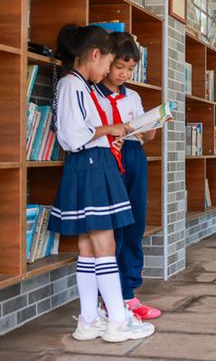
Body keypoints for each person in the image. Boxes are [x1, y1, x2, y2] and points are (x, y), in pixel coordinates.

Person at [48, 24, 154, 342]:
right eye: (109, 63)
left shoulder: (76, 84)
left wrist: (111, 132)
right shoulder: (74, 86)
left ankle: (89, 319)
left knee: (89, 248)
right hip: (92, 167)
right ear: (95, 55)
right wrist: (110, 130)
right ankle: (118, 320)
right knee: (104, 246)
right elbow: (74, 136)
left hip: (94, 165)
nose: (110, 70)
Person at [92, 32, 160, 320]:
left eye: (130, 69)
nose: (124, 74)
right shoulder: (92, 93)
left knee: (134, 224)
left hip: (134, 156)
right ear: (106, 61)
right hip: (108, 160)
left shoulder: (133, 95)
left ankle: (128, 294)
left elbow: (148, 135)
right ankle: (108, 296)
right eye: (120, 67)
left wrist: (151, 127)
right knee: (113, 228)